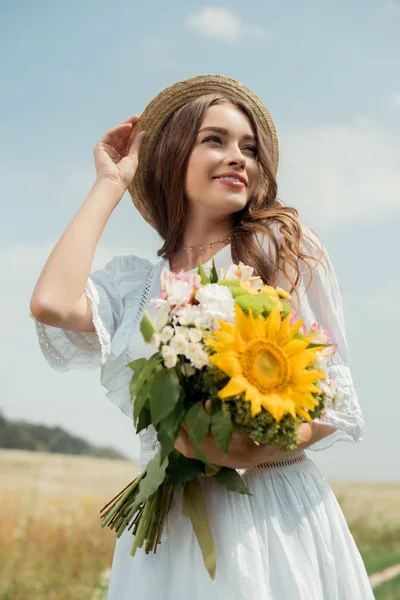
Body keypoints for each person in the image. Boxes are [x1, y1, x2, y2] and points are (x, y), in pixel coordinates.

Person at [30, 75, 374, 599]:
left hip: (271, 514)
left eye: (249, 148)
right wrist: (112, 183)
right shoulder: (136, 285)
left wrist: (248, 449)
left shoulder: (280, 247)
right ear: (172, 155)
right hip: (170, 532)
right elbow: (52, 303)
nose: (239, 157)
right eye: (214, 139)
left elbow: (333, 404)